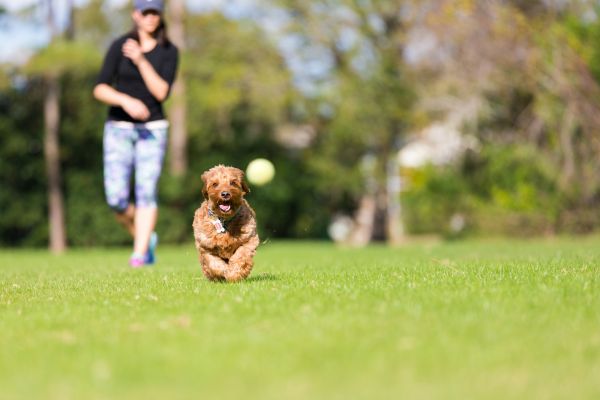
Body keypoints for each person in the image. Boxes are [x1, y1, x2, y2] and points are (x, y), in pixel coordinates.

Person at [93, 0, 178, 268]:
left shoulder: (168, 50)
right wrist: (124, 101)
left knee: (146, 192)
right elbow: (99, 88)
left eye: (155, 12)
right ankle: (145, 238)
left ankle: (139, 255)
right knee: (117, 199)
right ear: (135, 15)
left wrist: (141, 60)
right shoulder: (119, 46)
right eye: (145, 12)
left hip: (153, 130)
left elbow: (162, 92)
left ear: (160, 15)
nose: (151, 17)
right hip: (118, 128)